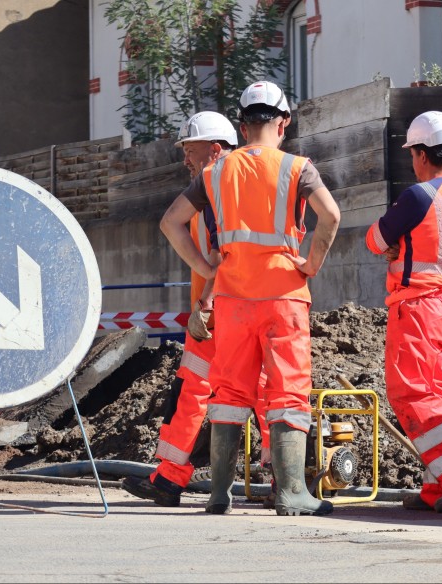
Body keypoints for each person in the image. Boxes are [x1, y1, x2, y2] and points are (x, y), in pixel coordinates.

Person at [160, 80, 340, 516]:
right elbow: (331, 215)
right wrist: (310, 264)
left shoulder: (215, 171)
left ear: (242, 128)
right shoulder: (298, 167)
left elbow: (170, 223)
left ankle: (219, 494)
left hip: (232, 300)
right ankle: (292, 492)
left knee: (227, 393)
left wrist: (207, 271)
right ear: (283, 123)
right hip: (284, 297)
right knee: (287, 394)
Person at [122, 111, 271, 507]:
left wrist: (205, 300)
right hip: (229, 310)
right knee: (220, 389)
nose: (185, 159)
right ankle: (172, 477)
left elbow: (226, 256)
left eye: (190, 150)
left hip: (221, 313)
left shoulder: (217, 192)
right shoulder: (226, 189)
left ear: (215, 149)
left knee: (233, 390)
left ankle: (174, 478)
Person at [365, 111, 442, 513]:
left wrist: (394, 246)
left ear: (420, 154)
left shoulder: (419, 195)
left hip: (417, 308)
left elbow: (375, 238)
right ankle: (438, 487)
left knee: (412, 393)